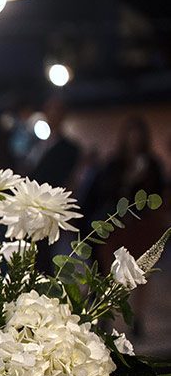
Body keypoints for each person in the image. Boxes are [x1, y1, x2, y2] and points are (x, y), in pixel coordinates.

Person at [85, 116, 168, 340]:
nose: (134, 140)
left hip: (142, 226)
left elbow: (159, 195)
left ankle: (137, 320)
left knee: (142, 271)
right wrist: (128, 179)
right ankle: (104, 315)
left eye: (137, 135)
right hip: (117, 225)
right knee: (110, 272)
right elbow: (104, 191)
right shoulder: (114, 164)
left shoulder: (152, 164)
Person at [26, 97, 80, 189]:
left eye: (57, 110)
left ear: (63, 114)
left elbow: (68, 179)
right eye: (49, 109)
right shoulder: (35, 143)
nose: (52, 114)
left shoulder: (70, 149)